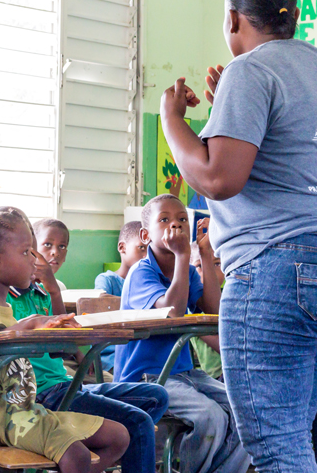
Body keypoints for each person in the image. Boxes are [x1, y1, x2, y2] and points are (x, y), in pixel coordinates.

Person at [158, 0, 317, 469]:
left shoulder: (250, 71)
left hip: (280, 269)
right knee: (294, 434)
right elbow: (287, 154)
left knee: (275, 444)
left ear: (233, 19)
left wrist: (172, 120)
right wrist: (229, 110)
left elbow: (218, 178)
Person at [0, 208, 129, 473]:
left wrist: (44, 329)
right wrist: (30, 324)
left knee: (118, 437)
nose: (35, 260)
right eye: (26, 253)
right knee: (76, 456)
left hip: (16, 410)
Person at [116, 195, 249, 473]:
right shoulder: (141, 273)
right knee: (210, 417)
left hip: (184, 375)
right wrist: (182, 255)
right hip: (146, 378)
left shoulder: (186, 270)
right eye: (164, 219)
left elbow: (213, 313)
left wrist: (205, 254)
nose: (175, 225)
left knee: (249, 412)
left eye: (182, 219)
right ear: (145, 234)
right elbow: (173, 312)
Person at [94, 221, 146, 372]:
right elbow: (99, 303)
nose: (146, 255)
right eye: (141, 247)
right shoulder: (107, 279)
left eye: (151, 249)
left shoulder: (148, 283)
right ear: (122, 248)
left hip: (137, 354)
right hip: (111, 356)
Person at [190, 241, 224, 381]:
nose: (209, 270)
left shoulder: (230, 296)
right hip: (219, 377)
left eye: (216, 264)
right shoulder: (194, 307)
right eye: (199, 265)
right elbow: (226, 349)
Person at [33, 219, 70, 291]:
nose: (55, 253)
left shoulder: (60, 287)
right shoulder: (15, 286)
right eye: (47, 244)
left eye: (62, 246)